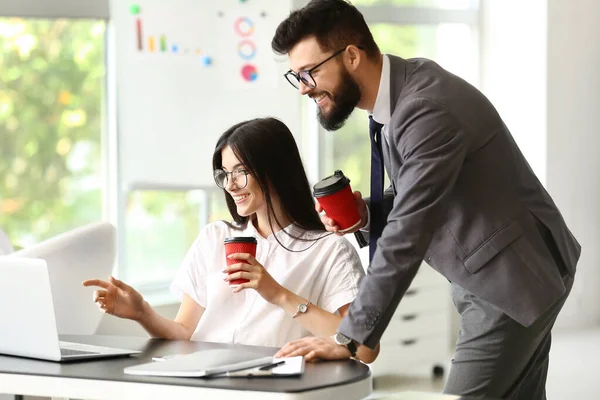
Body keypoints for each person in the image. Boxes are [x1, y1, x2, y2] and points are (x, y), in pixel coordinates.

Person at [271, 1, 580, 398]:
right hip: (513, 269)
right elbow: (424, 193)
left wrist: (349, 338)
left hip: (510, 283)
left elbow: (409, 231)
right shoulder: (400, 94)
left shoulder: (424, 107)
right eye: (295, 76)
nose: (303, 88)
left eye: (310, 72)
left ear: (351, 55)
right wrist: (367, 214)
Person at [83, 117, 379, 363]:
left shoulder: (328, 249)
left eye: (241, 172)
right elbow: (186, 332)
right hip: (206, 384)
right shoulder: (215, 238)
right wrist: (141, 312)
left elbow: (365, 348)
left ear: (275, 171)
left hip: (273, 385)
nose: (231, 184)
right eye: (225, 174)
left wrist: (277, 294)